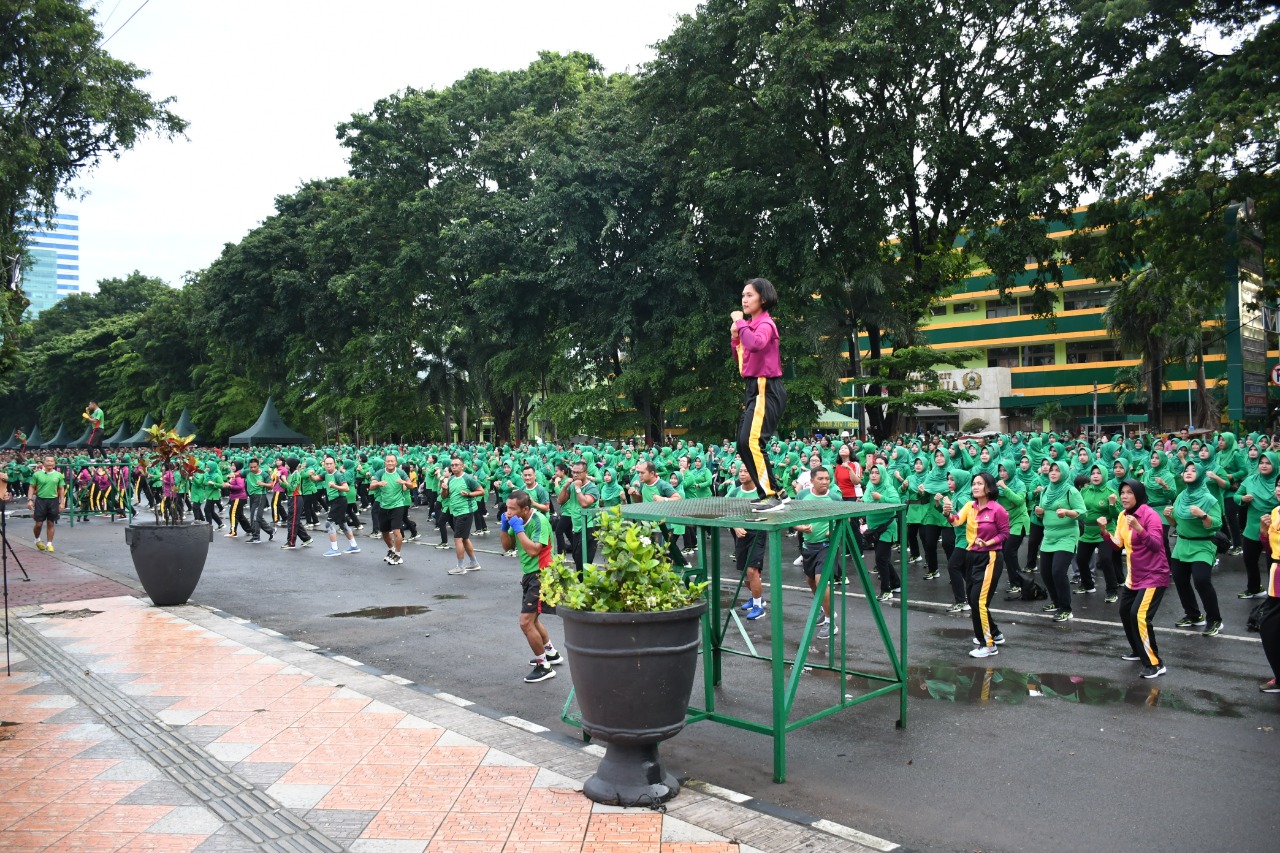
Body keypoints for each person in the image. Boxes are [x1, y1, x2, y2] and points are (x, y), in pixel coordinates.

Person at [1101, 479, 1171, 678]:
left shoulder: (1151, 516)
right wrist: (1105, 533)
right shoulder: (1123, 516)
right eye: (1122, 492)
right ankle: (1139, 650)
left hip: (1154, 575)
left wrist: (1140, 528)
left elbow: (1157, 546)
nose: (1124, 496)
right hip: (1135, 576)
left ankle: (1155, 664)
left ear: (1138, 495)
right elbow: (1117, 545)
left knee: (1139, 615)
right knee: (1125, 612)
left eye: (1129, 492)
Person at [731, 277, 789, 512]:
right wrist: (735, 336)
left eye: (750, 295)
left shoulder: (765, 324)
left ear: (763, 299)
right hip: (753, 388)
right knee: (742, 444)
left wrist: (740, 323)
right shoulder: (751, 326)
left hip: (767, 387)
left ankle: (770, 495)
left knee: (753, 441)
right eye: (743, 295)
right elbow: (743, 361)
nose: (744, 300)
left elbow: (755, 344)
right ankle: (777, 491)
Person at [500, 489, 561, 684]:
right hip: (529, 574)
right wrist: (504, 528)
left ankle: (544, 666)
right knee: (533, 620)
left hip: (541, 574)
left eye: (512, 509)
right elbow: (507, 546)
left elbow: (534, 550)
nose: (508, 512)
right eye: (507, 508)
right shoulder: (515, 519)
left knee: (526, 622)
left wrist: (517, 529)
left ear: (526, 509)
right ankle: (551, 653)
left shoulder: (539, 521)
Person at [948, 472, 1010, 658]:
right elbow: (956, 522)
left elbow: (1005, 533)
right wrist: (946, 513)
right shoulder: (969, 506)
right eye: (974, 483)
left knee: (978, 601)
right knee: (974, 600)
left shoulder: (998, 510)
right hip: (971, 556)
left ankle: (988, 645)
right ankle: (995, 634)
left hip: (990, 557)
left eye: (980, 484)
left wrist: (988, 542)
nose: (975, 487)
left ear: (989, 488)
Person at [1167, 460, 1225, 637]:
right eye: (1187, 470)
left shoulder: (1208, 499)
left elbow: (1216, 524)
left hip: (1202, 544)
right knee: (1180, 580)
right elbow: (1176, 524)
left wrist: (1203, 515)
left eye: (1194, 470)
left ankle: (1215, 619)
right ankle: (1193, 615)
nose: (1189, 472)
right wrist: (1168, 516)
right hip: (1182, 544)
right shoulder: (1181, 496)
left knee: (1201, 581)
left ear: (1200, 475)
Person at [792, 467, 845, 638]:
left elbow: (847, 519)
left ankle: (831, 623)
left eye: (827, 479)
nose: (824, 482)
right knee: (810, 580)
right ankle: (825, 608)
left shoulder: (835, 497)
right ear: (812, 481)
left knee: (820, 580)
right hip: (809, 546)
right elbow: (792, 518)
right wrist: (800, 527)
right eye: (820, 479)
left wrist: (835, 530)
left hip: (827, 546)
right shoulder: (802, 496)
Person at [1036, 460, 1085, 622]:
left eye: (1057, 470)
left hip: (1067, 536)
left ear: (1063, 473)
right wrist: (1040, 512)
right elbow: (1043, 513)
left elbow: (1082, 512)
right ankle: (1056, 601)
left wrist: (1067, 512)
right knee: (1045, 572)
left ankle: (1066, 608)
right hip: (1049, 536)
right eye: (1051, 470)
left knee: (1058, 571)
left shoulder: (1070, 491)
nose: (1053, 473)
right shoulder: (1045, 490)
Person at [1255, 480, 1280, 693]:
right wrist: (1264, 531)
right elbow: (1270, 548)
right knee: (1269, 627)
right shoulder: (1276, 511)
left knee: (1270, 626)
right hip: (1277, 575)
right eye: (1279, 485)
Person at [442, 456, 484, 575]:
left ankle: (460, 567)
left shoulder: (467, 478)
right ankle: (474, 563)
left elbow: (481, 491)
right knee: (464, 538)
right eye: (452, 465)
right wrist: (443, 489)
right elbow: (445, 496)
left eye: (456, 465)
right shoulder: (450, 479)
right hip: (455, 511)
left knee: (458, 539)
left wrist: (469, 494)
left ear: (462, 466)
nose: (454, 467)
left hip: (465, 512)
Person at [558, 460, 600, 577]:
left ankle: (587, 585)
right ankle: (583, 584)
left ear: (585, 472)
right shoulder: (572, 485)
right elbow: (560, 501)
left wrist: (578, 489)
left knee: (585, 559)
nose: (575, 475)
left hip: (589, 526)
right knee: (577, 556)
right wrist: (566, 485)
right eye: (573, 472)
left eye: (578, 472)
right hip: (577, 526)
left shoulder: (592, 487)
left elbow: (585, 503)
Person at [369, 454, 412, 565]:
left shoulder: (401, 473)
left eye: (392, 461)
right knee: (384, 532)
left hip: (398, 505)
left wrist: (405, 483)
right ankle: (392, 549)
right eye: (388, 461)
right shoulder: (380, 473)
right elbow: (371, 486)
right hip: (384, 506)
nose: (390, 463)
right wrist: (378, 483)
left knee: (396, 531)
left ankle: (398, 554)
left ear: (396, 463)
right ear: (385, 463)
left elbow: (411, 485)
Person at [319, 454, 361, 556]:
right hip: (335, 501)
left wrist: (334, 486)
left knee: (328, 524)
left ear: (334, 464)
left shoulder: (338, 475)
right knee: (343, 524)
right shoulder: (325, 473)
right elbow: (316, 478)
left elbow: (346, 488)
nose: (328, 466)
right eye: (326, 464)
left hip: (340, 500)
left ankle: (335, 549)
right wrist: (310, 474)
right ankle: (354, 546)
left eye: (330, 464)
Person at [27, 455, 66, 552]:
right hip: (41, 500)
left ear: (54, 463)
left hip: (53, 500)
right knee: (39, 524)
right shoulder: (37, 474)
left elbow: (61, 488)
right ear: (44, 463)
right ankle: (37, 539)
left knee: (50, 522)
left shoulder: (58, 475)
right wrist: (30, 499)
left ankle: (49, 543)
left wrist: (62, 502)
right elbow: (32, 487)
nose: (49, 463)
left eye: (52, 461)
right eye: (48, 461)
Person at [279, 458, 314, 550]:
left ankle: (291, 542)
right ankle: (306, 539)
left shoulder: (296, 474)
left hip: (295, 498)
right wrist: (280, 481)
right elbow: (286, 487)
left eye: (286, 464)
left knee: (292, 521)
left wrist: (284, 481)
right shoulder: (291, 474)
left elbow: (292, 488)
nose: (285, 465)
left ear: (291, 465)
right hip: (292, 498)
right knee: (294, 520)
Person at [245, 458, 275, 544]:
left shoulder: (264, 474)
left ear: (258, 466)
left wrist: (263, 484)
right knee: (258, 517)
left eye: (255, 467)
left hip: (260, 496)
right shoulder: (247, 472)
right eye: (251, 467)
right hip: (252, 496)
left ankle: (256, 537)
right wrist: (234, 475)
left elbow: (271, 485)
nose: (253, 469)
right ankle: (271, 531)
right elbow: (238, 474)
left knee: (254, 517)